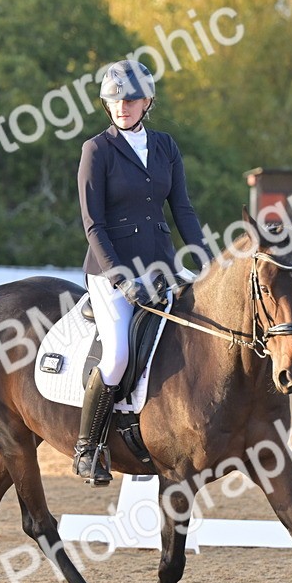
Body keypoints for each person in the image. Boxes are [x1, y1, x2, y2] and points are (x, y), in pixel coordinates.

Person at [73, 59, 209, 486]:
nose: (122, 107)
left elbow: (182, 209)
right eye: (114, 100)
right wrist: (118, 276)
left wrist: (207, 259)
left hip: (162, 267)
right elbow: (93, 224)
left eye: (130, 100)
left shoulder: (166, 146)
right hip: (112, 271)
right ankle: (88, 448)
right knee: (116, 355)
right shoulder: (97, 150)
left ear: (147, 101)